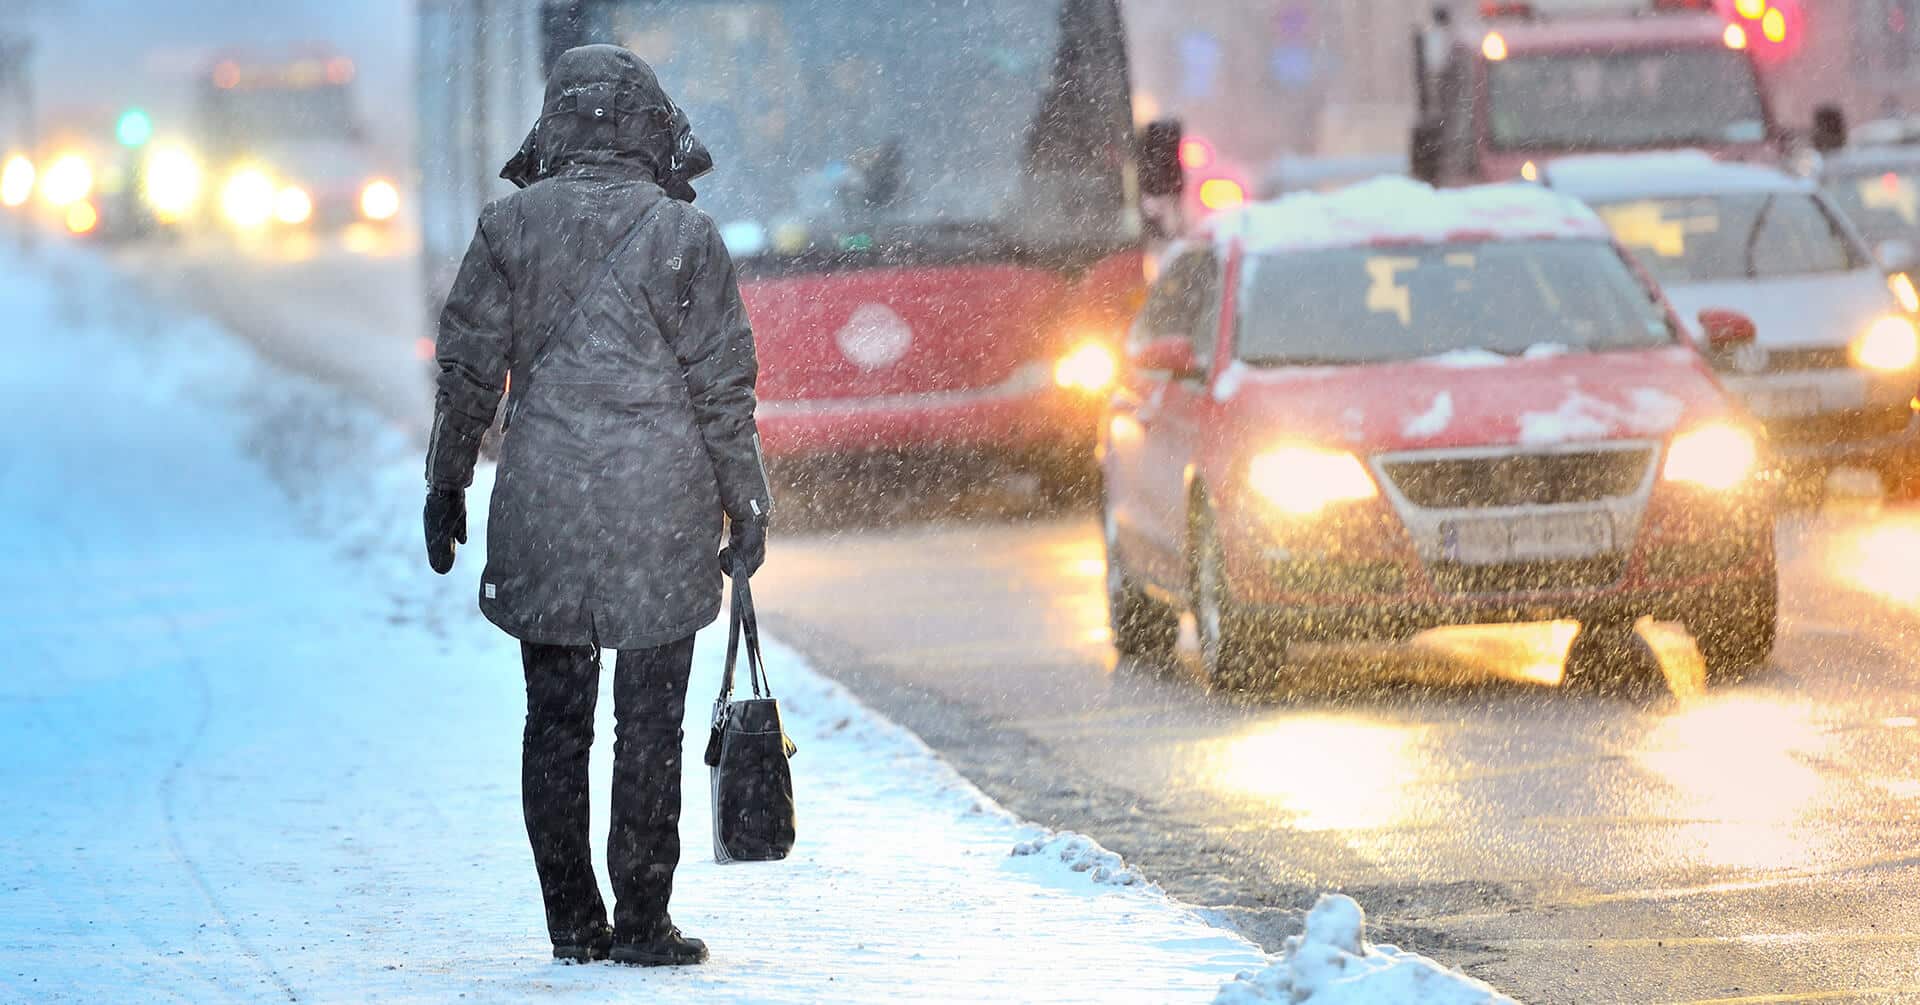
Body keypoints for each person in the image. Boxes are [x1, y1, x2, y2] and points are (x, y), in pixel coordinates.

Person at [421, 44, 771, 967]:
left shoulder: (508, 230)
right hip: (662, 505)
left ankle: (574, 920)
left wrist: (446, 478)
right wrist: (747, 500)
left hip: (547, 501)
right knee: (648, 722)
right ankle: (645, 920)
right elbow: (723, 389)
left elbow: (467, 371)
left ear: (559, 123)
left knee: (556, 718)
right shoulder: (685, 238)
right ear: (651, 127)